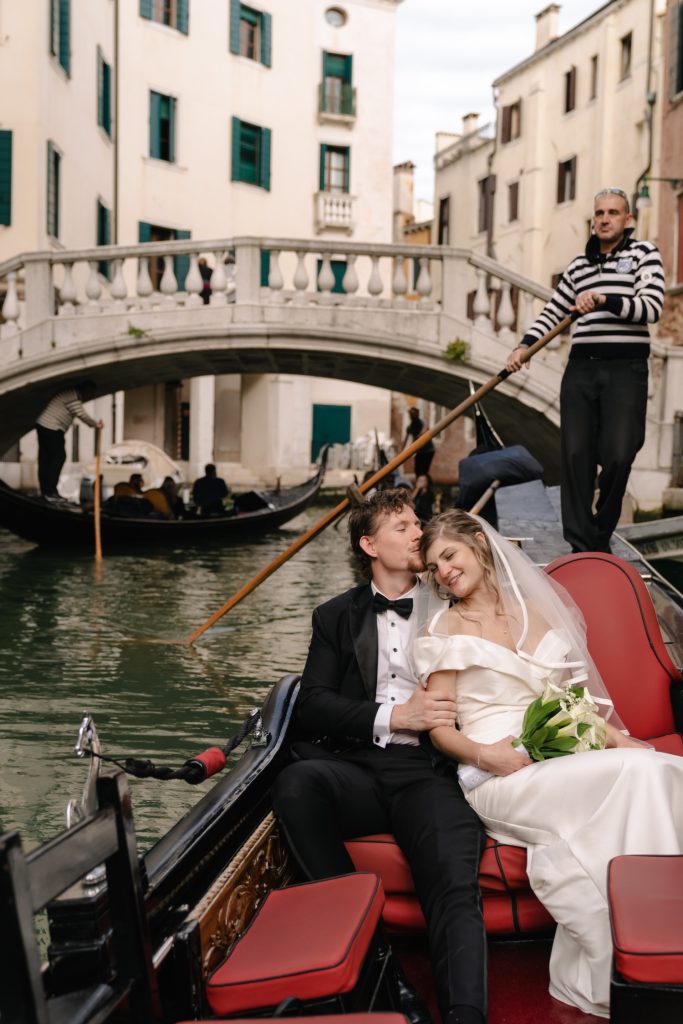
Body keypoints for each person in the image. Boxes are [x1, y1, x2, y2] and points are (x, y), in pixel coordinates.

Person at [414, 509, 683, 1019]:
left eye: (448, 555)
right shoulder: (444, 627)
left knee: (659, 769)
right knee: (639, 775)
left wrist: (624, 741)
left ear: (477, 542)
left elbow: (575, 706)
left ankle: (657, 948)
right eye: (433, 568)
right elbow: (439, 729)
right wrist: (485, 754)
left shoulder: (535, 614)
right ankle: (648, 955)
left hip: (555, 761)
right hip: (498, 774)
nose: (443, 572)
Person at [272, 490, 488, 1024]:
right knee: (297, 784)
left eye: (419, 524)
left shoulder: (455, 604)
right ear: (369, 544)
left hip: (430, 770)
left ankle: (466, 1014)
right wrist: (395, 717)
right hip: (360, 768)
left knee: (451, 877)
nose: (419, 534)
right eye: (401, 527)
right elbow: (315, 703)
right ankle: (384, 973)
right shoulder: (334, 617)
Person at [505, 187, 665, 553]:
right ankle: (581, 545)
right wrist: (524, 345)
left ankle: (600, 532)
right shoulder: (579, 266)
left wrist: (604, 300)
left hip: (626, 368)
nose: (605, 219)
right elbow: (554, 311)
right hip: (581, 369)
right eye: (599, 213)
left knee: (619, 453)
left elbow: (651, 308)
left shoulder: (644, 254)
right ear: (594, 220)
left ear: (628, 220)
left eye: (613, 213)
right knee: (575, 456)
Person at [35, 383, 104, 500]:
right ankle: (50, 492)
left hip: (44, 425)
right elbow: (81, 414)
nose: (91, 397)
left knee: (46, 460)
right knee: (58, 457)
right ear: (85, 390)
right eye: (91, 394)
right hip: (52, 428)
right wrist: (96, 425)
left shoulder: (71, 395)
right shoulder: (73, 397)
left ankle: (46, 492)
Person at [403, 406, 435, 478]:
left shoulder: (422, 423)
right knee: (417, 470)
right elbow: (406, 440)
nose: (411, 415)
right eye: (410, 414)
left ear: (417, 414)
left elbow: (425, 431)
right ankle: (420, 485)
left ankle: (425, 486)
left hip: (428, 450)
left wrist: (417, 438)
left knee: (423, 471)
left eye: (413, 413)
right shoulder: (410, 427)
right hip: (420, 451)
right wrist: (401, 453)